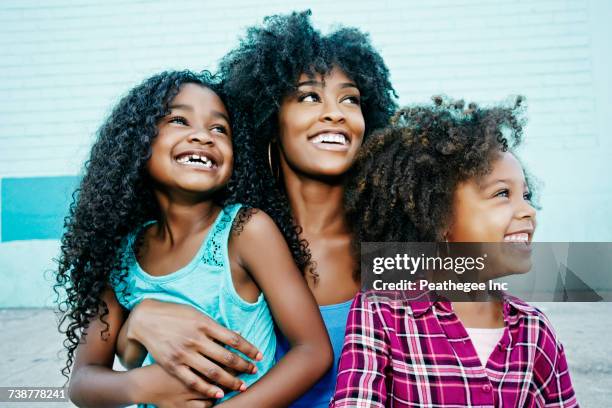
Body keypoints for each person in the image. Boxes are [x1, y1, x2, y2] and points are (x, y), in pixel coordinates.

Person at [116, 11, 397, 407]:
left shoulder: (390, 239)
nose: (335, 112)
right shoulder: (236, 239)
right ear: (270, 121)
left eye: (350, 99)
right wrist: (137, 324)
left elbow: (489, 282)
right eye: (309, 96)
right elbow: (153, 369)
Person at [55, 70, 332, 408]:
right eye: (179, 120)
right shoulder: (122, 255)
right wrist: (141, 385)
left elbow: (313, 352)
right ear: (138, 141)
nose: (203, 136)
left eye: (219, 128)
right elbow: (82, 382)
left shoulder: (246, 231)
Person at [330, 96, 578, 407]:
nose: (527, 210)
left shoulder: (535, 331)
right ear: (439, 215)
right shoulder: (381, 313)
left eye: (526, 195)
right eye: (503, 193)